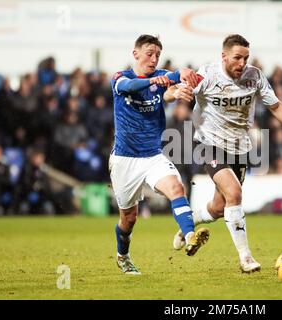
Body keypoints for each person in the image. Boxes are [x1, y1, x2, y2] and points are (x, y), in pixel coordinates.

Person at [169, 34, 282, 273]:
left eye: (246, 58)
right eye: (237, 58)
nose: (242, 63)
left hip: (239, 148)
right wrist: (178, 89)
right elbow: (177, 89)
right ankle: (246, 258)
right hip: (209, 144)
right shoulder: (207, 75)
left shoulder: (255, 77)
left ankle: (187, 224)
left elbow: (277, 107)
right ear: (224, 56)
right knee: (235, 192)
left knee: (219, 208)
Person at [109, 34, 209, 275]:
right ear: (136, 54)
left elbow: (166, 93)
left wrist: (178, 93)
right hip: (125, 159)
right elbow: (134, 87)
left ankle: (189, 235)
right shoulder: (121, 79)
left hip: (154, 156)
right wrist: (172, 77)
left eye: (157, 55)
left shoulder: (160, 77)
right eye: (149, 54)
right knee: (128, 219)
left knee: (177, 188)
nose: (154, 59)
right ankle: (123, 256)